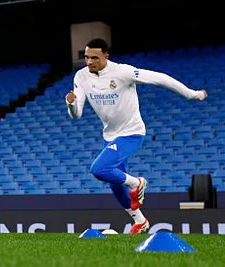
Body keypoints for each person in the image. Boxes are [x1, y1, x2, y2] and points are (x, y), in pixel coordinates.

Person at [66, 38, 208, 234]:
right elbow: (77, 115)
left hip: (131, 133)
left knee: (99, 169)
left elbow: (161, 78)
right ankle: (140, 221)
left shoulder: (123, 72)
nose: (89, 62)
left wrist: (192, 94)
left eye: (95, 58)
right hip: (110, 135)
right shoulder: (81, 77)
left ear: (106, 57)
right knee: (115, 183)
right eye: (87, 57)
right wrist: (71, 105)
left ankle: (137, 182)